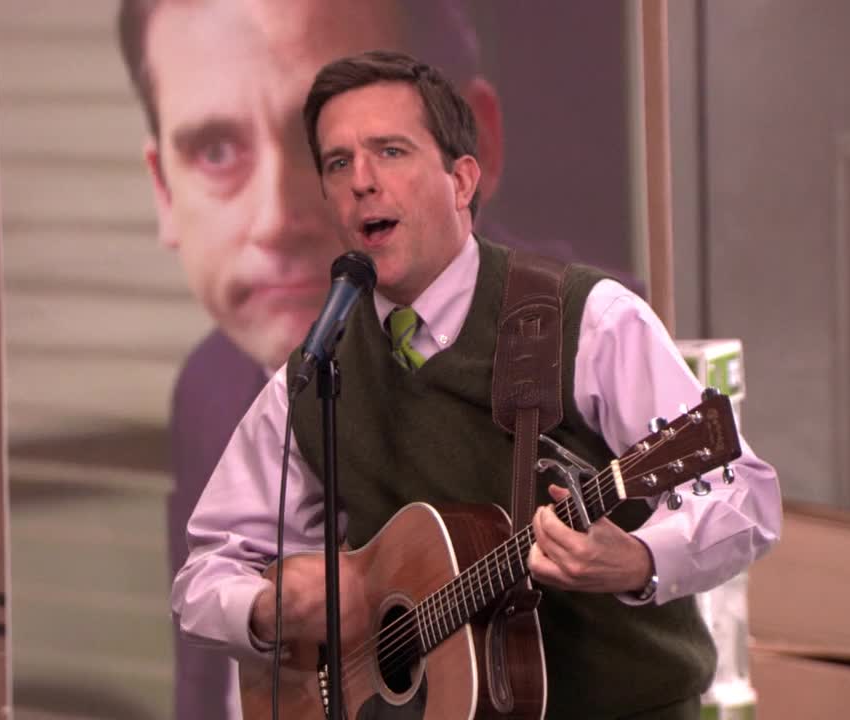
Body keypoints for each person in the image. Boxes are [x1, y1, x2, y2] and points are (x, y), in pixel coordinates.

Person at [170, 50, 782, 719]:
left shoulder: (588, 319)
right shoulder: (317, 371)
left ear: (462, 180)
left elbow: (746, 495)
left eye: (390, 151)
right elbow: (204, 576)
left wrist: (639, 558)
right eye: (338, 163)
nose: (362, 181)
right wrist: (268, 608)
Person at [116, 2, 517, 718]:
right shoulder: (213, 384)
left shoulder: (573, 336)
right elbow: (206, 679)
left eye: (324, 155)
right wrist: (266, 610)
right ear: (163, 190)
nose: (276, 218)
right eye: (216, 151)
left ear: (472, 159)